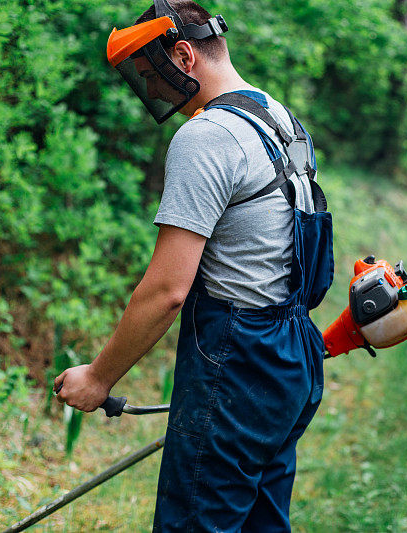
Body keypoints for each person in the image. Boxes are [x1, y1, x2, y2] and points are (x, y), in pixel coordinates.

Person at [53, 0, 334, 531]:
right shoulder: (278, 118)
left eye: (151, 75)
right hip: (290, 353)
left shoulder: (206, 137)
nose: (150, 91)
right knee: (260, 523)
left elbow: (168, 291)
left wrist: (97, 377)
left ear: (184, 56)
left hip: (238, 359)